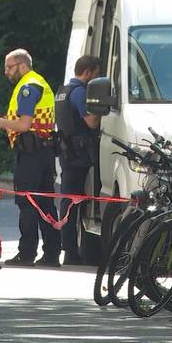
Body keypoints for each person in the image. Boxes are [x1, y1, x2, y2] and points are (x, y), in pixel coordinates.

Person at [0, 49, 62, 267]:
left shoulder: (27, 87)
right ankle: (51, 254)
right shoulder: (38, 82)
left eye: (9, 67)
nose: (6, 72)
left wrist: (2, 123)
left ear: (22, 65)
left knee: (27, 202)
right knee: (45, 203)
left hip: (31, 154)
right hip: (44, 152)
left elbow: (24, 125)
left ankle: (26, 253)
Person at [55, 55, 102, 265]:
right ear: (88, 72)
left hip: (67, 152)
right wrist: (102, 110)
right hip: (79, 156)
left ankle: (70, 249)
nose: (97, 77)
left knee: (69, 202)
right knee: (72, 204)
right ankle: (71, 251)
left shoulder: (63, 91)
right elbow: (91, 122)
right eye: (97, 73)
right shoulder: (79, 92)